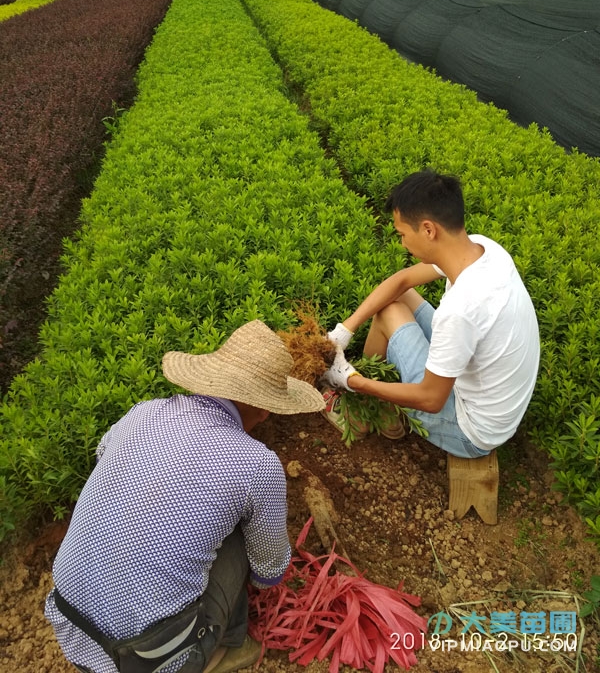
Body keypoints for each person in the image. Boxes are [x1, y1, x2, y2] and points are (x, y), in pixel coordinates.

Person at [45, 320, 324, 673]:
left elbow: (104, 456)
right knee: (239, 534)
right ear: (266, 407)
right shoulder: (257, 464)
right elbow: (268, 570)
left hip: (70, 629)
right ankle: (224, 650)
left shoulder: (142, 412)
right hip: (150, 659)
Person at [322, 169, 540, 459]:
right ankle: (386, 414)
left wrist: (351, 379)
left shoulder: (461, 308)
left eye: (402, 234)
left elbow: (431, 399)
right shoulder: (483, 249)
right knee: (397, 299)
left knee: (389, 314)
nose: (401, 243)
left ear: (428, 229)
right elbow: (401, 282)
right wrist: (344, 331)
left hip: (470, 430)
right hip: (492, 400)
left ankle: (361, 412)